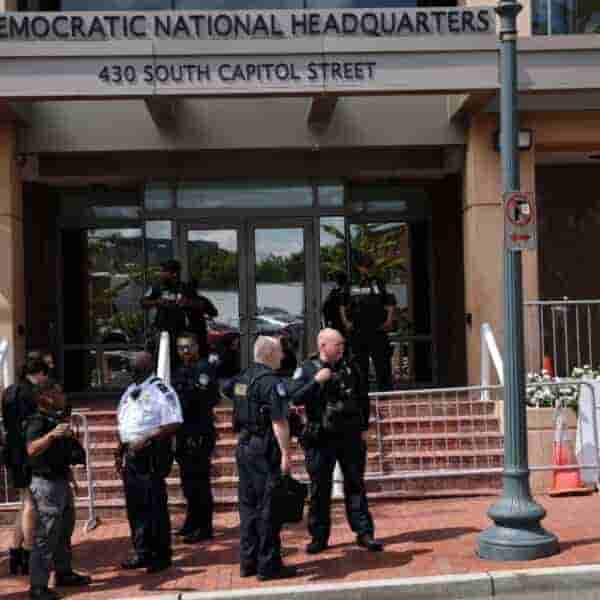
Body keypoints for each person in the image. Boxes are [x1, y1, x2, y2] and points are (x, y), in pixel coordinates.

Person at [290, 328, 383, 554]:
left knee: (355, 484)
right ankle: (319, 537)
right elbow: (295, 397)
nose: (342, 348)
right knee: (320, 489)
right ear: (323, 346)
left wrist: (364, 428)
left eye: (342, 344)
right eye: (337, 344)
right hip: (320, 437)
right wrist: (316, 381)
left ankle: (364, 533)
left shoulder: (351, 366)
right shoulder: (307, 368)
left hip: (349, 435)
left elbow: (362, 398)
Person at [232, 336, 309, 581]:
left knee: (248, 506)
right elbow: (279, 421)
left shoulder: (243, 378)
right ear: (269, 354)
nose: (282, 356)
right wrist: (286, 453)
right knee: (269, 507)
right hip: (264, 449)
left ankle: (249, 561)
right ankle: (269, 565)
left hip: (245, 446)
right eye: (279, 352)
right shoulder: (270, 382)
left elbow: (231, 395)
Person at [115, 352, 182, 574]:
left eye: (133, 366)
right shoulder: (130, 391)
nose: (130, 370)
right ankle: (142, 551)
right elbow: (124, 423)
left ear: (146, 366)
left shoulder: (161, 390)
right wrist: (119, 450)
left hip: (151, 455)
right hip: (131, 456)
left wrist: (146, 438)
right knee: (135, 507)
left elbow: (173, 422)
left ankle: (160, 555)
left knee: (153, 506)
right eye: (130, 367)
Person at [24, 383, 91, 600]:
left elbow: (60, 454)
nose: (63, 396)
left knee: (63, 531)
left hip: (61, 481)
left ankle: (64, 573)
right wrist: (52, 434)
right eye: (59, 393)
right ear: (47, 397)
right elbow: (31, 449)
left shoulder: (55, 419)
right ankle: (38, 587)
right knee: (46, 535)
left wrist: (72, 479)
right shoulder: (37, 421)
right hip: (46, 484)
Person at [2, 358, 50, 576]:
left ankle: (15, 552)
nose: (45, 379)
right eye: (44, 374)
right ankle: (30, 552)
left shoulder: (10, 391)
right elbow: (30, 425)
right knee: (30, 502)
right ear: (38, 373)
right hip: (25, 451)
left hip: (12, 450)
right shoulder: (29, 393)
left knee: (24, 502)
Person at [172, 332, 219, 544]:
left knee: (199, 481)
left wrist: (190, 394)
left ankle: (204, 526)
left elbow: (209, 399)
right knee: (188, 481)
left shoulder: (204, 369)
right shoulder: (179, 370)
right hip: (183, 432)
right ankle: (192, 521)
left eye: (188, 347)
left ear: (196, 347)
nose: (184, 351)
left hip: (199, 432)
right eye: (181, 347)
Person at [141, 259, 218, 364]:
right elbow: (143, 302)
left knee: (181, 363)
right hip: (162, 333)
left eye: (164, 271)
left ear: (174, 273)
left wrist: (187, 303)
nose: (161, 274)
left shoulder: (186, 288)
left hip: (181, 335)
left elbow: (206, 306)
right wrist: (157, 302)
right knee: (161, 362)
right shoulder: (157, 287)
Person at [341, 254, 396, 391]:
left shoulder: (379, 282)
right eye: (364, 266)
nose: (366, 269)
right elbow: (342, 304)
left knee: (382, 364)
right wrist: (346, 322)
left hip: (377, 329)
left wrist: (389, 320)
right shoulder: (351, 284)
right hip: (357, 331)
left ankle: (385, 394)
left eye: (369, 266)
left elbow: (390, 301)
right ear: (358, 267)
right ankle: (361, 394)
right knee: (360, 366)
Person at [321, 271, 350, 337]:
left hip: (333, 324)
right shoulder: (343, 294)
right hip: (340, 325)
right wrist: (346, 323)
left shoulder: (332, 293)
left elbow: (324, 309)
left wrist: (326, 324)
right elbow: (342, 309)